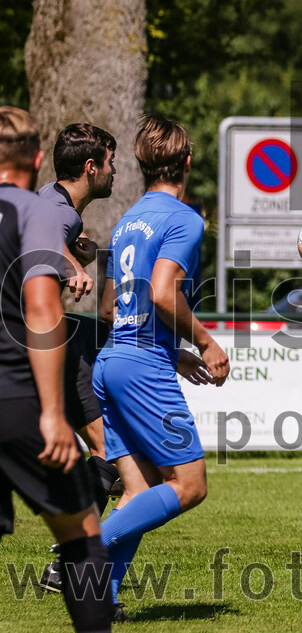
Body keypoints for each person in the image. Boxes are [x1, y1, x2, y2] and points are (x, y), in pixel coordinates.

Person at [92, 114, 229, 618]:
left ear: (143, 164)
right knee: (189, 485)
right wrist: (207, 342)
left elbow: (111, 308)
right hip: (141, 365)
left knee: (144, 486)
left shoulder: (128, 220)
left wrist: (175, 353)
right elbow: (165, 292)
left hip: (112, 362)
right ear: (187, 161)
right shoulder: (185, 219)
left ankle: (103, 601)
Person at [0, 106, 112, 631]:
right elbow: (43, 308)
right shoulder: (46, 209)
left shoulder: (50, 215)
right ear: (37, 158)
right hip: (17, 389)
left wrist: (72, 257)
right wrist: (50, 413)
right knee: (85, 533)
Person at [38, 124, 122, 594]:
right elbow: (42, 246)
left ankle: (67, 562)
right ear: (91, 167)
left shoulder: (50, 200)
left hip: (45, 342)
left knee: (108, 450)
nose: (115, 170)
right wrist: (71, 264)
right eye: (111, 162)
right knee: (111, 451)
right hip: (33, 347)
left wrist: (75, 258)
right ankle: (70, 564)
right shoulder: (61, 215)